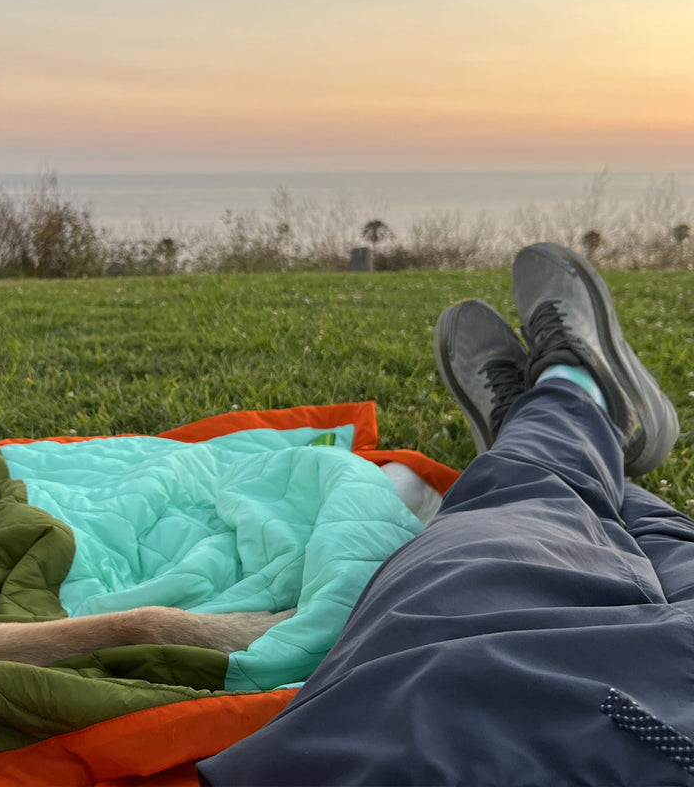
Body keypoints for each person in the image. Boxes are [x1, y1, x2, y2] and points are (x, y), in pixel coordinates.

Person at [198, 242, 691, 787]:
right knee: (546, 511)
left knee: (532, 513)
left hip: (442, 728)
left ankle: (561, 414)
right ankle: (573, 396)